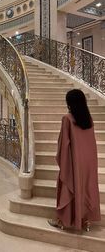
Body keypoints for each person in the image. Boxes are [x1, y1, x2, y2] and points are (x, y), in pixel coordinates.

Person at [48, 89, 101, 231]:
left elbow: (63, 145)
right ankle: (85, 221)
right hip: (88, 162)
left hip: (73, 163)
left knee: (68, 186)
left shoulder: (67, 119)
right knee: (85, 188)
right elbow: (91, 143)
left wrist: (63, 162)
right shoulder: (88, 120)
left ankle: (62, 221)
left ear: (70, 103)